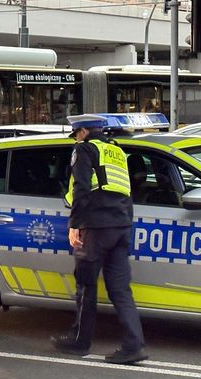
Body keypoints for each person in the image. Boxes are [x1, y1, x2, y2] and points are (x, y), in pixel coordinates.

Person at [51, 114, 147, 365]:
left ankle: (80, 342)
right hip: (121, 225)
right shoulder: (116, 151)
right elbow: (125, 190)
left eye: (76, 134)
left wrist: (74, 225)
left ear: (82, 132)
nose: (75, 139)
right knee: (120, 290)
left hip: (95, 227)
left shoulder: (84, 150)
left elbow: (81, 188)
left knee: (86, 284)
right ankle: (134, 345)